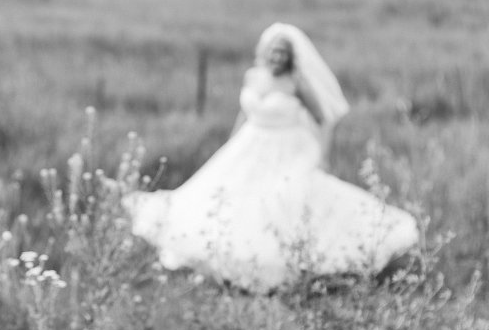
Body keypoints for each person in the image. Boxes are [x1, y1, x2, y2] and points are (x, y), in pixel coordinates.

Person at [124, 23, 418, 293]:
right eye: (273, 51)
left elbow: (323, 118)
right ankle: (232, 258)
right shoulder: (253, 76)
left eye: (282, 52)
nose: (277, 57)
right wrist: (231, 143)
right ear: (265, 52)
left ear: (290, 57)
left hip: (287, 147)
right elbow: (245, 114)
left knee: (282, 200)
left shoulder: (297, 83)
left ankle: (289, 262)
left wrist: (319, 155)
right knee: (231, 197)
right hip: (251, 143)